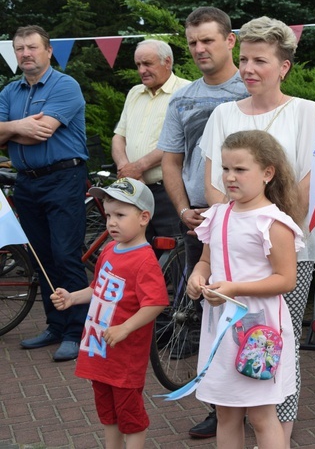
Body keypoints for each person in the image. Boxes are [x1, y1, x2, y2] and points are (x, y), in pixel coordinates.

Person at [200, 15, 315, 445]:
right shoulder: (221, 114)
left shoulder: (308, 112)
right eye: (244, 59)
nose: (249, 68)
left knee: (275, 349)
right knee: (230, 350)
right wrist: (228, 228)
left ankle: (276, 437)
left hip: (282, 254)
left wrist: (274, 225)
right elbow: (214, 185)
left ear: (284, 66)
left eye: (260, 60)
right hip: (227, 262)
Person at [157, 6, 248, 438]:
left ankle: (263, 401)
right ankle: (220, 406)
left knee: (255, 310)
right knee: (211, 313)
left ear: (230, 41)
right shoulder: (183, 98)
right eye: (193, 42)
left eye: (208, 40)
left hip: (251, 219)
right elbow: (172, 161)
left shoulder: (250, 91)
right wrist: (182, 209)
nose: (199, 49)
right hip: (201, 219)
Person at [186, 130, 304, 449]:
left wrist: (235, 287)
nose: (230, 177)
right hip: (221, 331)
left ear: (267, 173)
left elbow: (285, 279)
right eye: (225, 169)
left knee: (261, 417)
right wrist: (197, 278)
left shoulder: (272, 222)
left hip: (258, 332)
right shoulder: (219, 215)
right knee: (226, 413)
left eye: (240, 170)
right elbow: (206, 261)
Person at [50, 177, 168, 449]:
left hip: (124, 359)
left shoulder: (145, 260)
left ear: (143, 217)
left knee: (131, 418)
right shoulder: (109, 249)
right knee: (108, 415)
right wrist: (72, 298)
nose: (111, 222)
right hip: (98, 352)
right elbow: (98, 287)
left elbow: (156, 302)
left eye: (121, 215)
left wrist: (125, 328)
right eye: (108, 214)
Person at [0, 25, 89, 362]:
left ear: (48, 51)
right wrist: (19, 127)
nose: (25, 53)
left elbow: (43, 131)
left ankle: (76, 331)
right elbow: (27, 130)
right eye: (19, 48)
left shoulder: (65, 86)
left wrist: (9, 131)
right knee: (41, 257)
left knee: (65, 254)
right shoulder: (10, 91)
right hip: (27, 182)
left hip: (63, 178)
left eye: (32, 47)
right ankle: (55, 325)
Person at [111, 39, 191, 246]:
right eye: (138, 65)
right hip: (135, 188)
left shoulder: (186, 92)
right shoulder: (135, 93)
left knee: (175, 252)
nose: (142, 70)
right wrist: (124, 168)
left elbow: (181, 143)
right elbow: (119, 136)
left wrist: (138, 167)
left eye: (147, 63)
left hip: (168, 191)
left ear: (167, 62)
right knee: (137, 251)